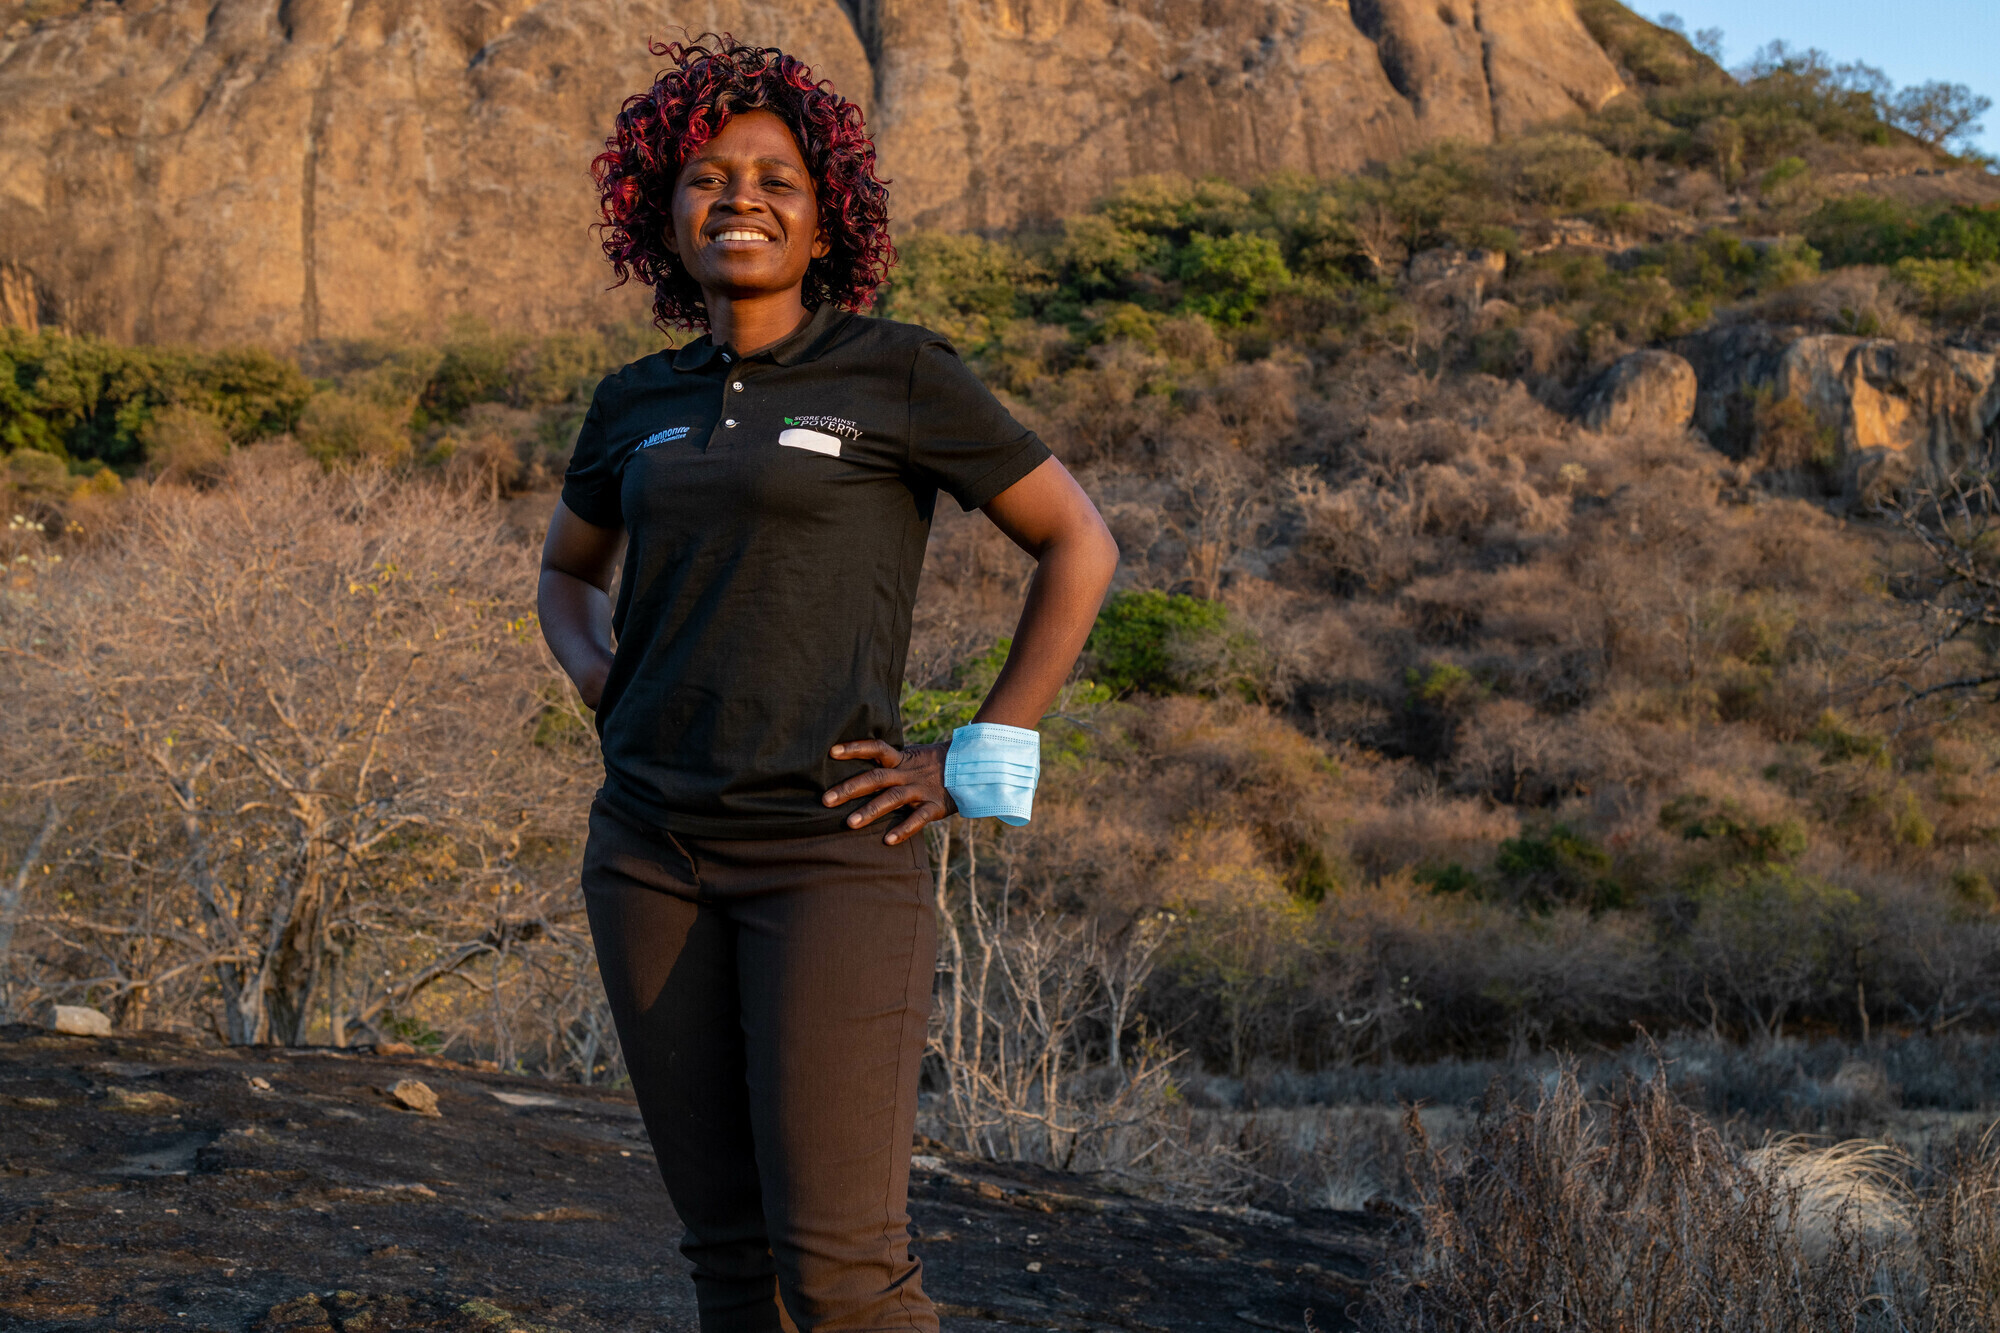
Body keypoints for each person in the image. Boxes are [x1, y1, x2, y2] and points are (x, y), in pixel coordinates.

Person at [536, 35, 1120, 1333]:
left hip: (832, 854)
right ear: (660, 210)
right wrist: (598, 680)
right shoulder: (633, 402)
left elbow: (1079, 542)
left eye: (776, 179)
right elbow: (569, 573)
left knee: (848, 1279)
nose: (738, 197)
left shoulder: (895, 374)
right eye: (706, 175)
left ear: (825, 219)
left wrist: (976, 757)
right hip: (647, 856)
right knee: (728, 1262)